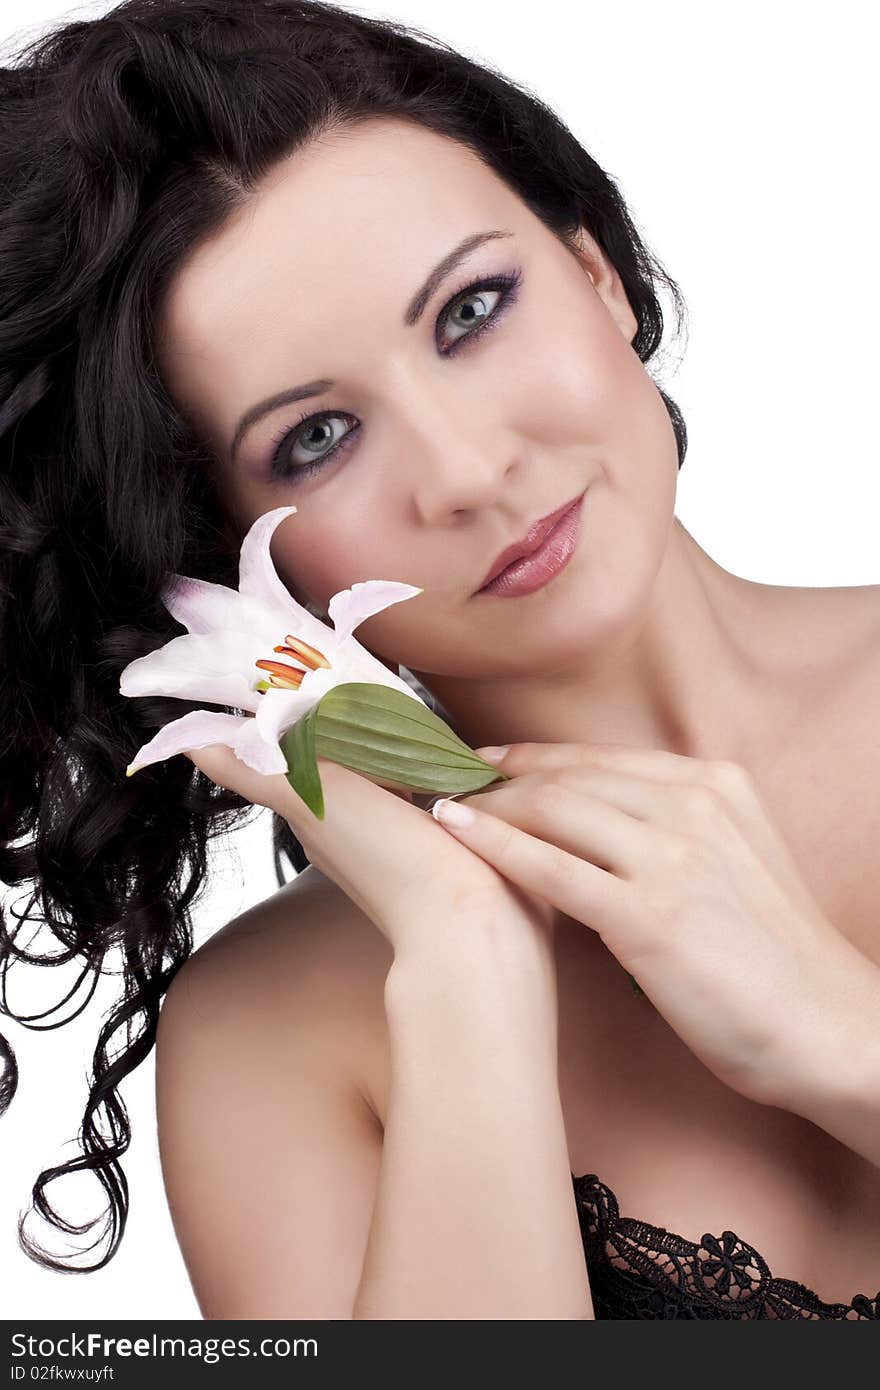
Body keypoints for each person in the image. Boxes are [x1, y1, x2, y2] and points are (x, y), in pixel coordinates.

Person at [1, 0, 878, 1321]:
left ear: (599, 277)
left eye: (473, 309)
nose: (470, 473)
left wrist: (830, 1032)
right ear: (236, 555)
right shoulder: (274, 1033)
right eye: (315, 440)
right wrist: (468, 963)